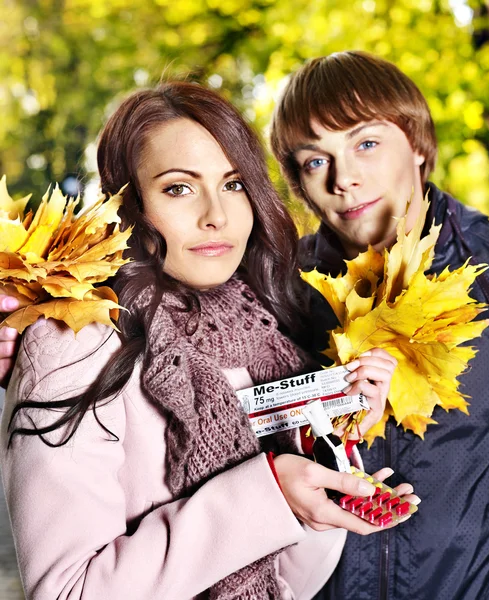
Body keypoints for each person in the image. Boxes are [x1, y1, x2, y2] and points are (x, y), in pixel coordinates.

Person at [0, 82, 410, 600]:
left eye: (235, 184)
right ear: (128, 205)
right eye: (178, 187)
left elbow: (287, 588)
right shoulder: (75, 340)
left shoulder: (265, 336)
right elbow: (68, 592)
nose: (216, 214)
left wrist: (324, 460)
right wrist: (268, 493)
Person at [270, 50, 489, 600]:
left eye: (365, 143)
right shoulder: (275, 289)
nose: (344, 178)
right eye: (314, 160)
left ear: (417, 144)